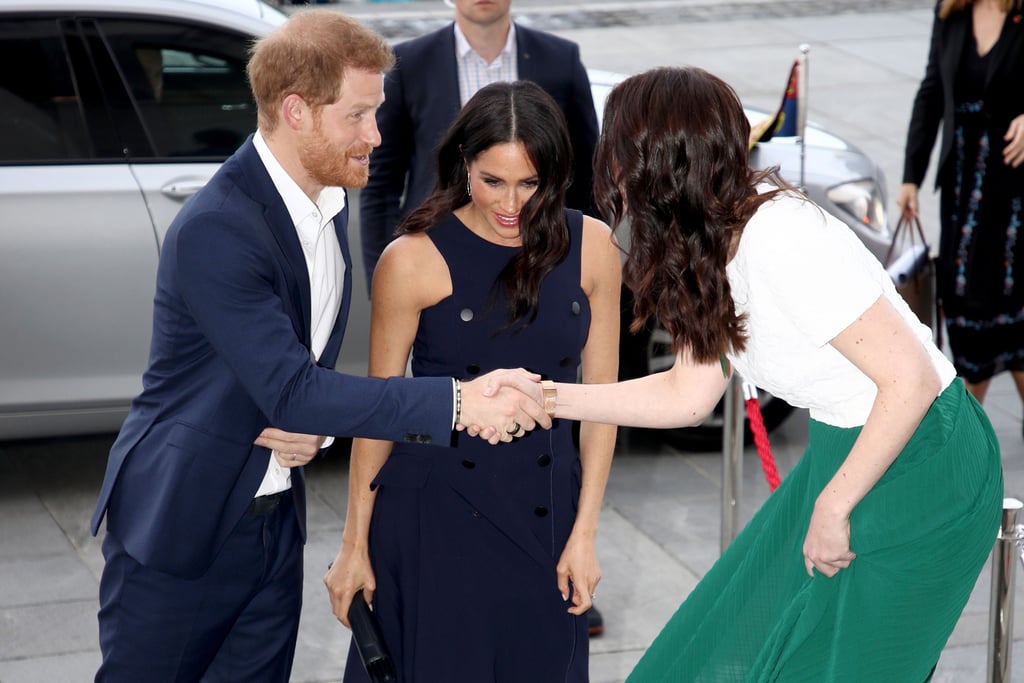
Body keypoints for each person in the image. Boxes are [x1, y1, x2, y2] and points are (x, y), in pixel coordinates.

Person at [88, 11, 550, 683]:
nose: (376, 136)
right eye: (358, 117)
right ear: (296, 111)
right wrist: (457, 401)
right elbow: (292, 389)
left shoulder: (325, 205)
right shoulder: (218, 227)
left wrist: (315, 432)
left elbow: (289, 380)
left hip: (274, 527)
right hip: (184, 529)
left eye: (375, 115)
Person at [504, 66, 1004, 681]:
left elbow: (911, 382)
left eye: (618, 156)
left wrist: (833, 505)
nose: (607, 173)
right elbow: (686, 395)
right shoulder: (705, 243)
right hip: (853, 451)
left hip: (922, 460)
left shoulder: (781, 236)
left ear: (658, 167)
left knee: (837, 663)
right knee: (720, 641)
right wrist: (549, 399)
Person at [324, 80, 621, 681]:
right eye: (493, 181)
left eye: (529, 183)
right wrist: (354, 544)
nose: (511, 203)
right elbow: (382, 412)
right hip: (435, 518)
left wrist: (586, 532)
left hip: (548, 513)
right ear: (464, 164)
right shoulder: (409, 259)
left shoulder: (593, 246)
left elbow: (604, 406)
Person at [357, 0, 599, 290]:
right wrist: (382, 277)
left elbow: (588, 174)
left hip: (540, 262)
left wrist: (584, 267)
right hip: (435, 259)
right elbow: (381, 182)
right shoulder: (410, 63)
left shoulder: (561, 60)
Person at [897, 0, 1024, 434]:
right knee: (966, 316)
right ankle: (969, 451)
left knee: (1015, 319)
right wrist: (911, 174)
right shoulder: (950, 10)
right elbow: (932, 90)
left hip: (1015, 197)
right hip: (963, 192)